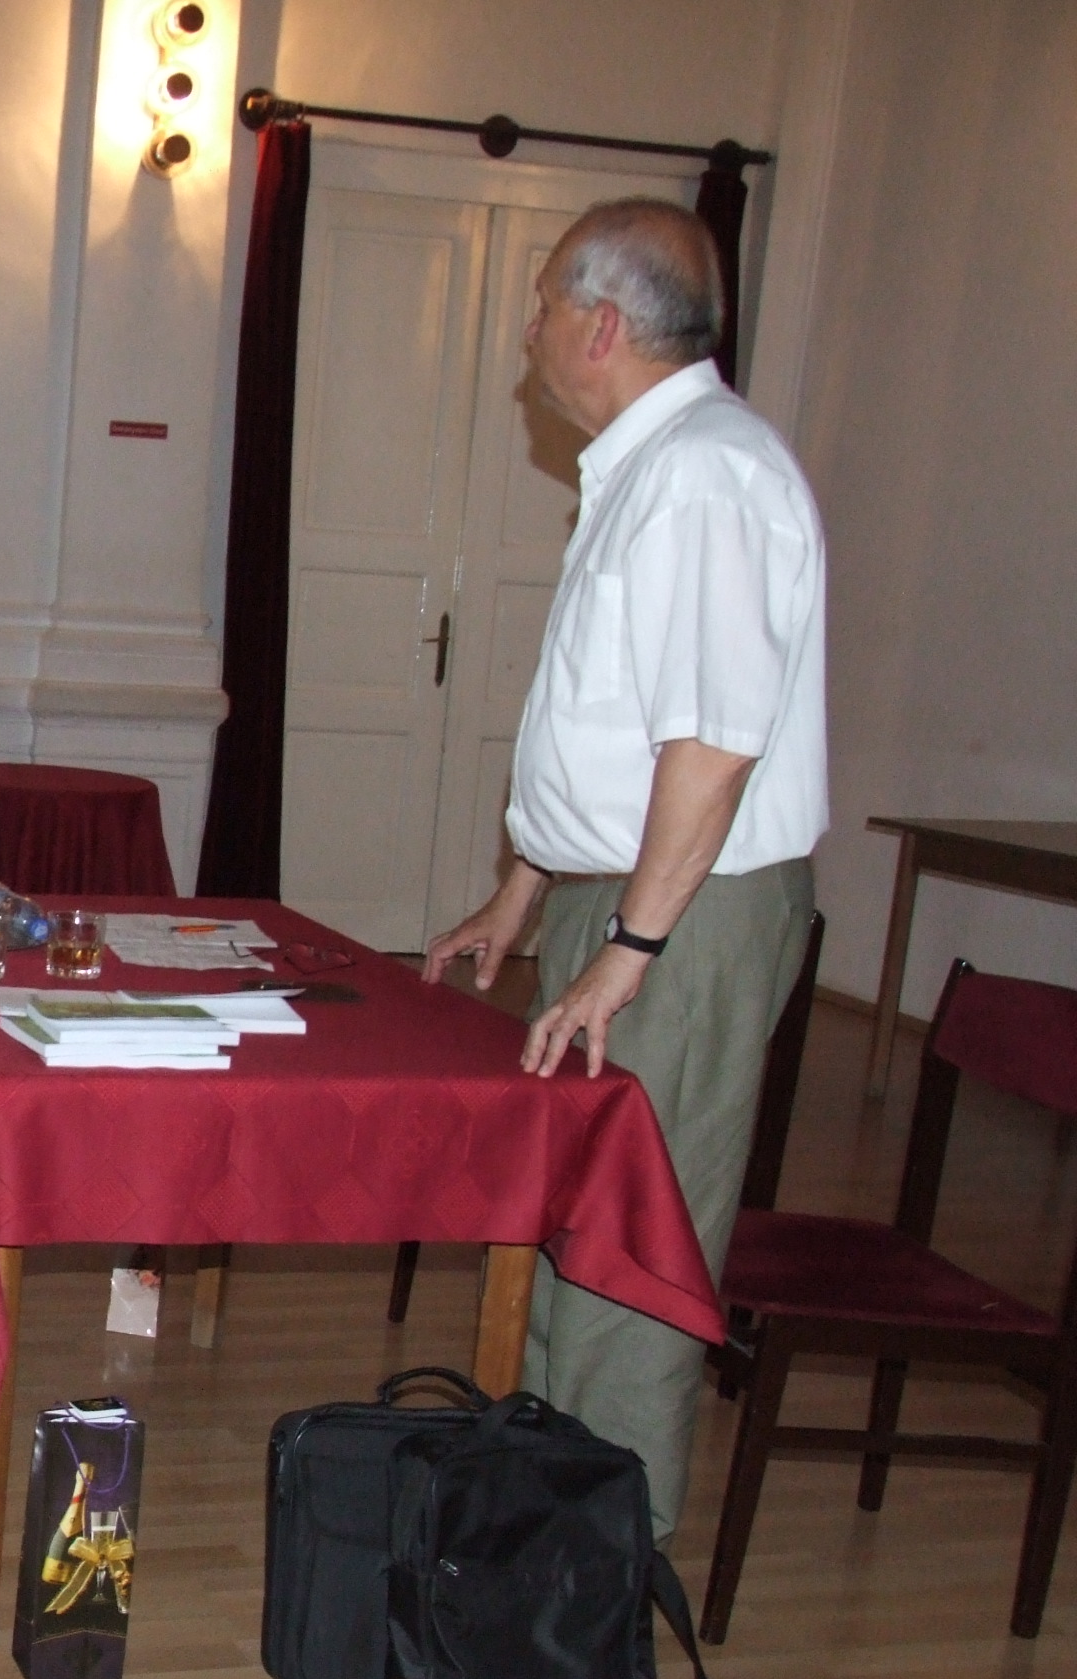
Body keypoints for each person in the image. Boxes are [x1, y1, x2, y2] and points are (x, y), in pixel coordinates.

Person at [421, 199, 827, 1547]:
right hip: (633, 900)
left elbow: (712, 748)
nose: (527, 330)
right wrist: (527, 890)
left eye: (542, 303)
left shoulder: (709, 475)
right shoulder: (651, 469)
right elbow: (613, 731)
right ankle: (546, 1548)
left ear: (600, 324)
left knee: (631, 1255)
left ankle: (599, 1589)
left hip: (685, 919)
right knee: (569, 1232)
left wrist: (631, 950)